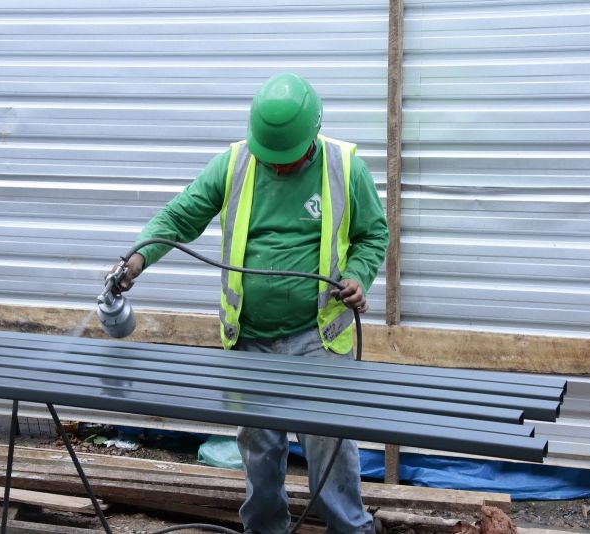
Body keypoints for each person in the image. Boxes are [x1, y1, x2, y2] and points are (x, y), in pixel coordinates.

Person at [115, 73, 388, 534]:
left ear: (312, 136)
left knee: (330, 445)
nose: (278, 167)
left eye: (288, 159)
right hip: (250, 340)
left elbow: (372, 234)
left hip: (317, 336)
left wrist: (359, 276)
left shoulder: (344, 166)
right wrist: (139, 256)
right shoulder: (234, 163)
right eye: (271, 159)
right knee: (259, 448)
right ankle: (265, 530)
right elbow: (181, 215)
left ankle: (351, 529)